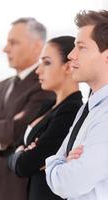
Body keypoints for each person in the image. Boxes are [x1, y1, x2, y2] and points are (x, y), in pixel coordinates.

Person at [0, 17, 55, 200]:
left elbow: (16, 133)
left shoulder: (45, 86)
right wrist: (3, 137)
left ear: (37, 46)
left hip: (20, 188)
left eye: (13, 42)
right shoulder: (1, 86)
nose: (5, 49)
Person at [7, 36, 83, 200]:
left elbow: (25, 165)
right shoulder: (47, 106)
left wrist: (23, 153)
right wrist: (22, 152)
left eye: (47, 62)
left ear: (69, 67)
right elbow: (12, 153)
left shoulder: (72, 111)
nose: (38, 70)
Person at [45, 10, 108, 200]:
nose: (71, 55)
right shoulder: (88, 107)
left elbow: (69, 184)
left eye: (81, 47)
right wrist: (61, 162)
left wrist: (55, 164)